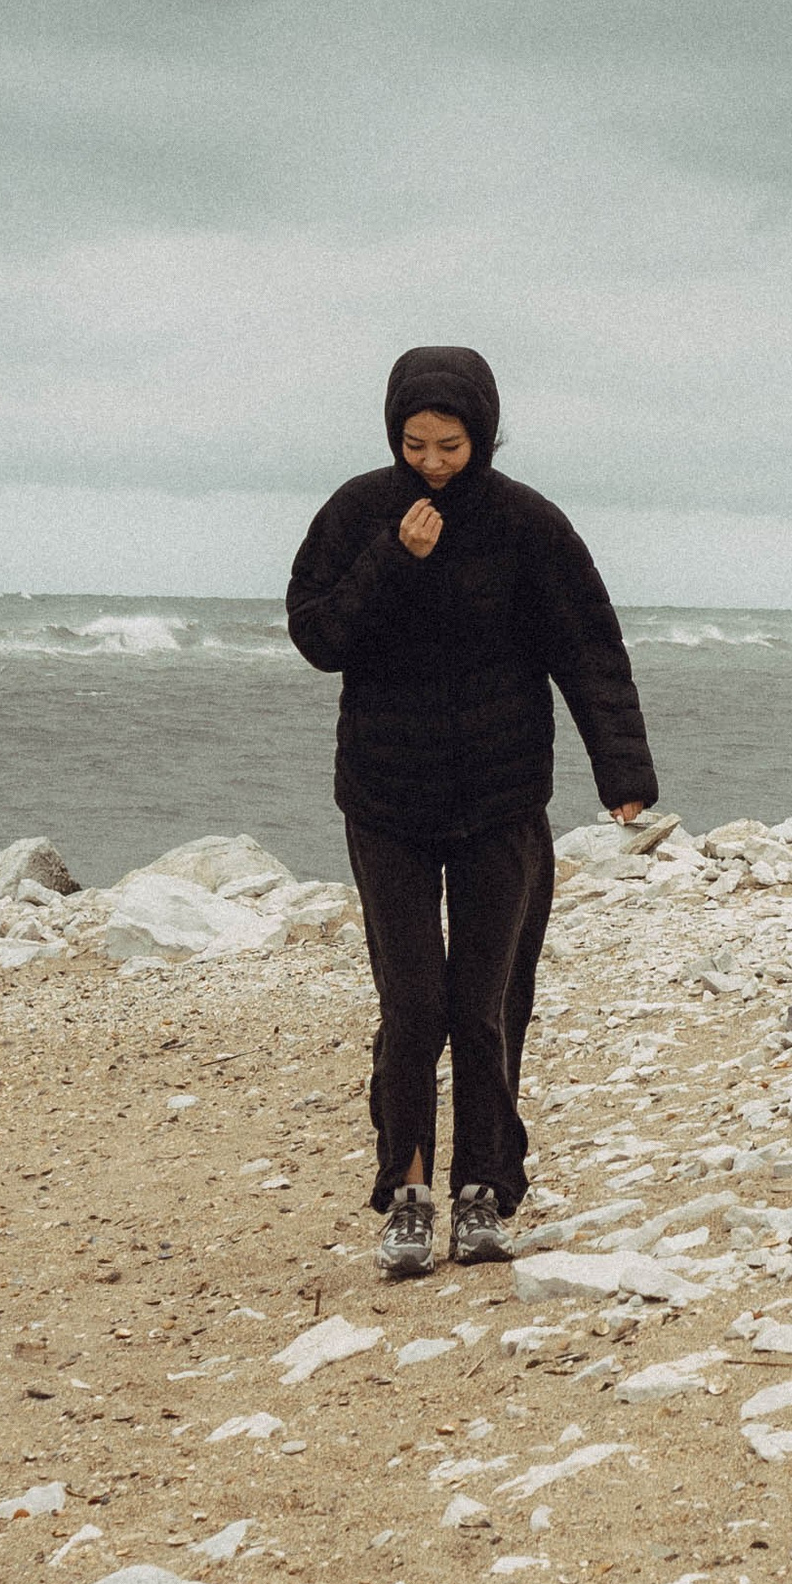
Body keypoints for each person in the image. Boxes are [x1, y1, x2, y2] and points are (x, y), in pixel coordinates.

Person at [287, 346, 658, 1280]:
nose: (433, 463)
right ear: (392, 435)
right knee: (413, 1007)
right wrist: (392, 558)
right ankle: (407, 1193)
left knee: (487, 1006)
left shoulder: (528, 524)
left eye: (450, 445)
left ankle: (484, 1192)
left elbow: (589, 650)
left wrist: (624, 769)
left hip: (500, 802)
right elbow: (318, 636)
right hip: (387, 801)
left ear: (482, 434)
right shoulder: (359, 512)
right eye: (415, 445)